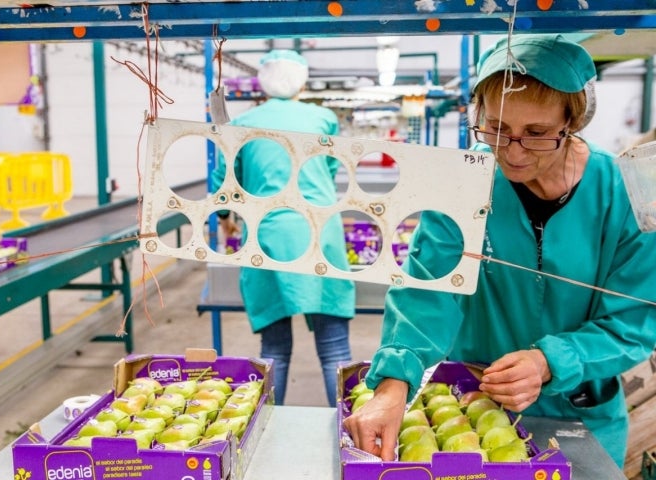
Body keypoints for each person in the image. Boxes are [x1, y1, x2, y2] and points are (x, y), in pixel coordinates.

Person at [343, 33, 656, 468]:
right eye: (496, 127)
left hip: (581, 415)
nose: (512, 151)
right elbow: (427, 293)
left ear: (574, 121)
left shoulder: (621, 194)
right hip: (477, 408)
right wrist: (393, 386)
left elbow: (633, 322)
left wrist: (550, 360)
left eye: (536, 133)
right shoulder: (466, 181)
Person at [210, 49, 356, 407]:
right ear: (303, 80)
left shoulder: (242, 124)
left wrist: (226, 219)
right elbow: (332, 172)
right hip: (321, 231)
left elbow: (225, 185)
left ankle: (266, 430)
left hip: (268, 236)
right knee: (334, 348)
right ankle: (352, 435)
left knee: (274, 348)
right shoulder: (324, 118)